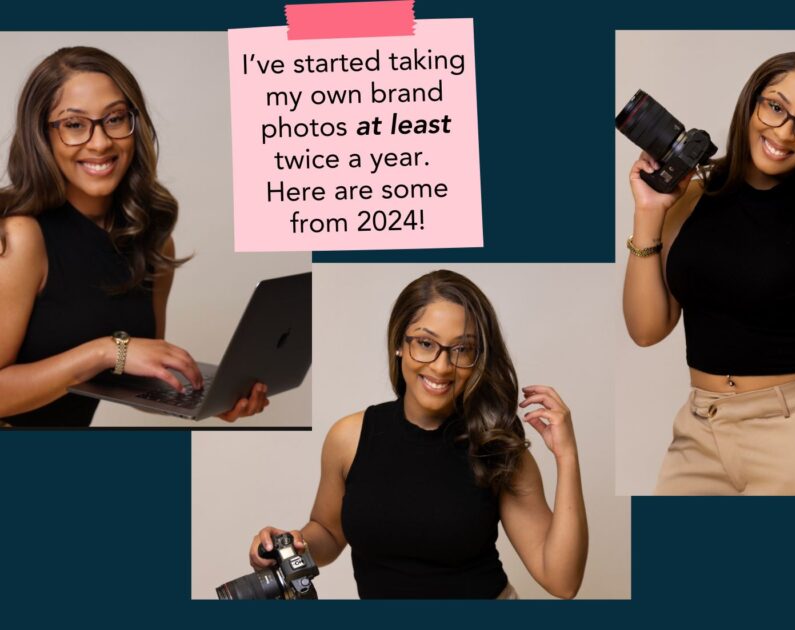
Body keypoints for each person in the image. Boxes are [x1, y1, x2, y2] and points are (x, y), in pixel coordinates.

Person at [622, 52, 795, 495]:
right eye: (775, 107)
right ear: (751, 104)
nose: (784, 132)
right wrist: (648, 214)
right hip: (700, 430)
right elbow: (646, 329)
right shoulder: (688, 199)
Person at [250, 270, 588, 599]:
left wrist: (567, 457)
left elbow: (562, 582)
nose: (441, 366)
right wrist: (292, 546)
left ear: (478, 358)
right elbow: (328, 532)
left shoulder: (495, 445)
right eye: (425, 343)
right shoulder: (348, 438)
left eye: (462, 349)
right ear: (399, 343)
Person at [0, 46, 268, 426]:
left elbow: (129, 375)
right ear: (42, 135)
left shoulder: (153, 242)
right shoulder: (20, 237)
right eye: (74, 124)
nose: (100, 142)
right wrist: (106, 351)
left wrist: (204, 397)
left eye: (115, 119)